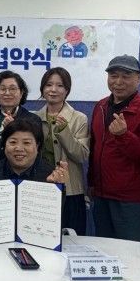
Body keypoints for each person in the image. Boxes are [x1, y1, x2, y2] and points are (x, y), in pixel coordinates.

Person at [88, 55, 140, 243]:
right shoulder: (100, 106)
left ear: (139, 78)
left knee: (133, 254)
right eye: (113, 76)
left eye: (126, 76)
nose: (118, 82)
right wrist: (91, 183)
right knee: (104, 251)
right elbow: (94, 148)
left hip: (132, 201)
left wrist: (123, 136)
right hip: (101, 197)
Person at [0, 119, 69, 248]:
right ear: (4, 145)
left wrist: (58, 189)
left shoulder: (49, 175)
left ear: (37, 146)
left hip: (38, 245)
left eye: (27, 143)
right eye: (13, 142)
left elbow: (56, 219)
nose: (19, 148)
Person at [34, 67, 90, 235]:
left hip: (71, 190)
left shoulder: (79, 118)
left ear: (67, 90)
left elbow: (81, 155)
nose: (53, 89)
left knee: (72, 239)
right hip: (41, 188)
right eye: (48, 85)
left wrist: (64, 131)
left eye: (60, 85)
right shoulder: (35, 118)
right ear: (42, 89)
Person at [0, 70, 42, 163]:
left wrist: (12, 128)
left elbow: (36, 153)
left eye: (12, 89)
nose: (7, 93)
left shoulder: (33, 120)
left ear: (21, 93)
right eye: (2, 89)